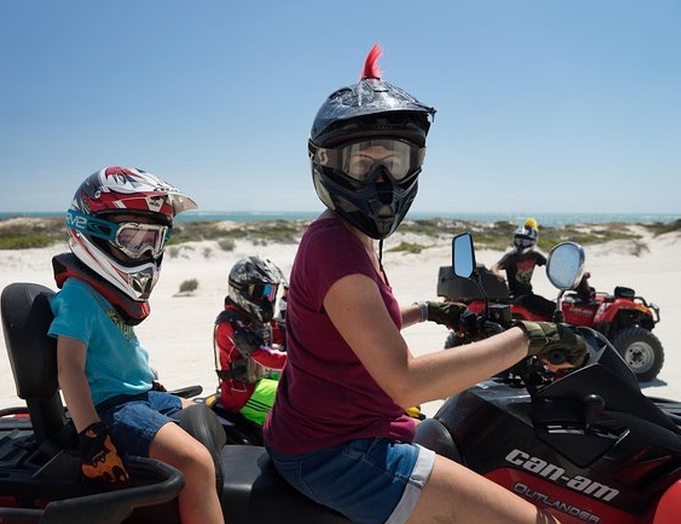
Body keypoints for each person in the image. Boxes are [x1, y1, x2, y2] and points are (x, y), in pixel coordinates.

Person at [263, 44, 588, 524]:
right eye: (361, 163)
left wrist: (431, 311)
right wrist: (528, 339)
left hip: (330, 433)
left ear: (414, 163)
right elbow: (405, 381)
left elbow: (357, 327)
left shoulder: (348, 236)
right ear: (327, 164)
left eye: (392, 162)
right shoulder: (335, 246)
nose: (379, 179)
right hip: (338, 452)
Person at [48, 166, 224, 524]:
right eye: (132, 239)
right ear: (94, 233)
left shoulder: (104, 294)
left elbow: (118, 353)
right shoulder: (79, 296)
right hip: (114, 407)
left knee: (208, 413)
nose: (145, 251)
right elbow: (69, 368)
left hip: (139, 395)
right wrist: (92, 435)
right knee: (196, 461)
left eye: (153, 240)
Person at [213, 255, 287, 426]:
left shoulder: (251, 318)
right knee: (302, 398)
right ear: (241, 290)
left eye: (270, 292)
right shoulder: (231, 323)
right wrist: (300, 359)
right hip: (242, 395)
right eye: (260, 291)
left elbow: (279, 336)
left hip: (259, 382)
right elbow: (262, 355)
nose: (267, 298)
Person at [490, 217, 557, 318]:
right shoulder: (511, 256)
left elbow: (550, 265)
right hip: (515, 296)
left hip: (527, 294)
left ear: (532, 242)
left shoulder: (535, 255)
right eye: (519, 240)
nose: (521, 244)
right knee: (553, 309)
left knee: (554, 308)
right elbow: (494, 267)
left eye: (525, 242)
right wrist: (497, 274)